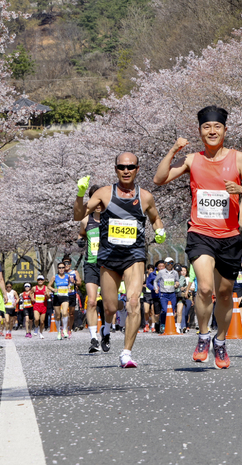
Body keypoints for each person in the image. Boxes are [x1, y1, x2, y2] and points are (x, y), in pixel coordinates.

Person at [153, 105, 242, 369]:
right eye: (206, 127)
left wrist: (241, 188)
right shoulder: (192, 159)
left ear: (225, 130)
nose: (212, 131)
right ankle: (202, 336)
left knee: (224, 293)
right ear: (200, 131)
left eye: (217, 127)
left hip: (230, 235)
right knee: (204, 288)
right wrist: (174, 150)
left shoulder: (238, 158)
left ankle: (220, 341)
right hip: (200, 233)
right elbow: (159, 179)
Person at [73, 152, 166, 368]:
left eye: (131, 167)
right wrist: (79, 195)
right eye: (122, 167)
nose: (126, 171)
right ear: (116, 169)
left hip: (134, 256)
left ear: (137, 169)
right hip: (108, 257)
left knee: (134, 302)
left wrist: (159, 230)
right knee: (110, 307)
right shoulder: (105, 194)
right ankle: (107, 328)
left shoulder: (145, 197)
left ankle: (126, 353)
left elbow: (155, 218)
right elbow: (79, 216)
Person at [78, 184, 104, 352]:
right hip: (91, 264)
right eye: (96, 199)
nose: (99, 203)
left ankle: (106, 332)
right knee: (92, 301)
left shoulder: (112, 219)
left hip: (109, 265)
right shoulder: (86, 220)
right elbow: (81, 234)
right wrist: (80, 239)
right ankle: (94, 339)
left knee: (109, 305)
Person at [155, 257, 180, 333]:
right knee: (165, 310)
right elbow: (155, 281)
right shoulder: (161, 272)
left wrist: (177, 285)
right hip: (164, 294)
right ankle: (162, 324)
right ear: (165, 264)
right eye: (168, 263)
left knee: (171, 311)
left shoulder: (175, 273)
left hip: (172, 294)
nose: (170, 265)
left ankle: (170, 326)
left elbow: (177, 282)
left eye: (171, 263)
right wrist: (156, 288)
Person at [51, 262, 71, 340]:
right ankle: (59, 331)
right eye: (60, 268)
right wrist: (53, 289)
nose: (61, 269)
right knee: (58, 315)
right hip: (57, 297)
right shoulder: (54, 277)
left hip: (65, 296)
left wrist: (69, 288)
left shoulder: (67, 276)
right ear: (58, 268)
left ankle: (65, 329)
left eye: (63, 267)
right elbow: (49, 286)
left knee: (65, 312)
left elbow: (69, 284)